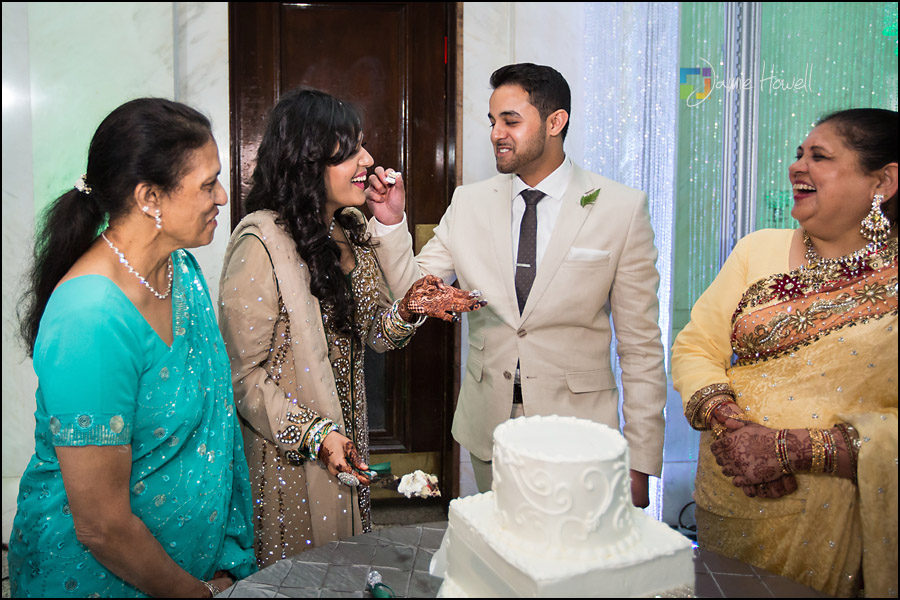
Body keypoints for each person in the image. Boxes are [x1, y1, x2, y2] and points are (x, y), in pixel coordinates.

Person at [366, 63, 666, 506]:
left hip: (579, 433)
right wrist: (391, 224)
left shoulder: (620, 209)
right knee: (501, 557)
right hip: (489, 427)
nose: (495, 133)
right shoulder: (469, 203)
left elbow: (641, 346)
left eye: (510, 120)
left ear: (555, 122)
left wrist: (641, 460)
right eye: (492, 121)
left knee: (572, 565)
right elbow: (416, 290)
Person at [218, 87, 484, 567]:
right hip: (289, 454)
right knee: (296, 576)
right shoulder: (260, 243)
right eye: (350, 150)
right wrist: (315, 433)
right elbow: (243, 377)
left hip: (348, 438)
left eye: (362, 146)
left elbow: (377, 333)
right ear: (308, 161)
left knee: (342, 570)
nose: (367, 159)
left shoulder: (349, 230)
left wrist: (407, 309)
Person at [9, 98, 256, 597]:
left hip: (191, 566)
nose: (223, 196)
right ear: (150, 197)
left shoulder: (179, 271)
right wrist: (194, 594)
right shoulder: (92, 317)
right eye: (207, 184)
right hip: (97, 580)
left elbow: (214, 424)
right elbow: (100, 524)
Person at [672, 108, 898, 597]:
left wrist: (795, 449)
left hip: (838, 521)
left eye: (820, 156)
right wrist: (729, 422)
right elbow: (695, 347)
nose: (797, 166)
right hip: (732, 499)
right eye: (799, 154)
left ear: (883, 181)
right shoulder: (758, 249)